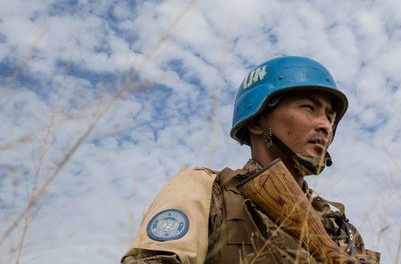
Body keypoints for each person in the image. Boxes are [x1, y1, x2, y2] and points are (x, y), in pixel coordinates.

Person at [122, 56, 380, 263]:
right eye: (308, 108)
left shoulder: (338, 226)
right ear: (258, 122)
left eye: (330, 115)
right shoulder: (208, 190)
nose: (325, 125)